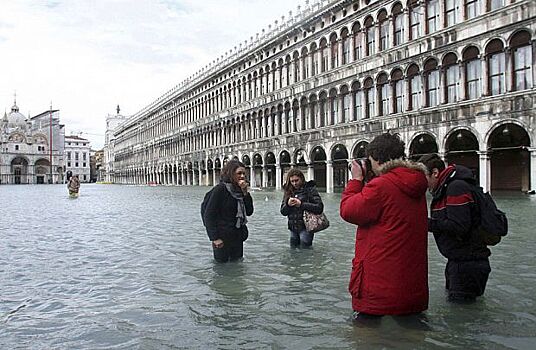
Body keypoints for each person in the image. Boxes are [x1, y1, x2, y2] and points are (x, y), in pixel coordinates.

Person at [340, 133, 429, 320]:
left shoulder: (382, 186)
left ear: (377, 159)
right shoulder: (414, 182)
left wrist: (356, 180)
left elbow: (348, 210)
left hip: (379, 287)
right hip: (411, 287)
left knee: (367, 338)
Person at [419, 153, 491, 302]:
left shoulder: (456, 187)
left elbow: (459, 226)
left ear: (435, 173)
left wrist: (423, 223)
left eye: (423, 177)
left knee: (463, 315)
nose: (422, 183)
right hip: (459, 262)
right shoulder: (448, 187)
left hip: (468, 266)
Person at [203, 159, 254, 263]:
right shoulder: (220, 190)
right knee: (221, 269)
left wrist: (245, 193)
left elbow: (249, 211)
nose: (242, 176)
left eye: (244, 173)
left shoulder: (240, 191)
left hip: (237, 236)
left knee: (237, 266)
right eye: (239, 173)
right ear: (231, 174)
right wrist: (215, 238)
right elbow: (208, 215)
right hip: (222, 238)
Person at [280, 168, 324, 248]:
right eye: (292, 181)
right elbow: (283, 212)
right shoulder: (288, 191)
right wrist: (288, 204)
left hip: (306, 227)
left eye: (296, 180)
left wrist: (301, 204)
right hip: (293, 228)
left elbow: (319, 208)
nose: (294, 183)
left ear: (302, 179)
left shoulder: (310, 189)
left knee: (305, 251)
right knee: (293, 251)